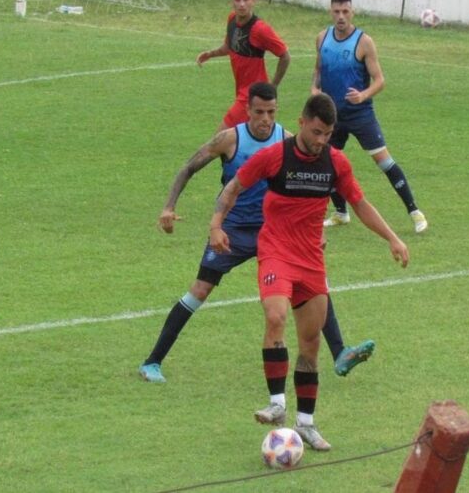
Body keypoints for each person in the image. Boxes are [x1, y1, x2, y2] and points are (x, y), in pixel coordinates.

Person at [209, 93, 409, 451]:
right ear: (301, 122)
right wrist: (216, 225)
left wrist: (393, 238)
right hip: (275, 253)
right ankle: (276, 404)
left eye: (327, 134)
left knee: (311, 344)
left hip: (311, 261)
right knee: (275, 315)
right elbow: (234, 187)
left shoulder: (336, 163)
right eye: (316, 132)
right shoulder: (274, 156)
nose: (321, 141)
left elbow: (360, 204)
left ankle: (306, 424)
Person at [139, 83, 375, 384]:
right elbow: (189, 167)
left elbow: (314, 181)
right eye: (260, 112)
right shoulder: (229, 139)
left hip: (275, 232)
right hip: (233, 231)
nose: (266, 119)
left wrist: (313, 231)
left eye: (272, 112)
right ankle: (152, 362)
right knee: (200, 290)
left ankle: (340, 351)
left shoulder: (289, 140)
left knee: (314, 285)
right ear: (248, 110)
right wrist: (168, 207)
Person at [311, 0, 428, 234]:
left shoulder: (364, 42)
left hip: (360, 115)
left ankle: (415, 212)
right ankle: (341, 213)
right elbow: (318, 71)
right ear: (330, 12)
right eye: (336, 11)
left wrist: (363, 95)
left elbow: (379, 80)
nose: (341, 16)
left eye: (345, 11)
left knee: (384, 162)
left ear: (352, 12)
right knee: (325, 160)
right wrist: (315, 89)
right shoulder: (322, 38)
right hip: (333, 117)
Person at [196, 0, 290, 132]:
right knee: (253, 137)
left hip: (251, 94)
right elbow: (229, 46)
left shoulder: (260, 29)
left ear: (253, 1)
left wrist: (272, 87)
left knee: (220, 137)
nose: (242, 4)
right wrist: (210, 54)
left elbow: (285, 55)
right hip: (241, 90)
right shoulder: (232, 19)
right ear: (231, 2)